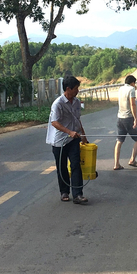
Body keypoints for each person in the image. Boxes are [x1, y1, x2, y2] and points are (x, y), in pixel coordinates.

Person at [45, 75, 88, 204]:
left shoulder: (76, 102)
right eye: (75, 88)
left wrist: (83, 135)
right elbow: (54, 122)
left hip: (73, 140)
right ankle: (64, 192)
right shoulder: (58, 104)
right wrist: (69, 132)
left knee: (76, 165)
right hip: (60, 141)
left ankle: (78, 194)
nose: (77, 91)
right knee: (62, 167)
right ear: (68, 89)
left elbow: (77, 119)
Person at [114, 75, 137, 170]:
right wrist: (135, 119)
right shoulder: (131, 90)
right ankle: (132, 160)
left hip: (120, 117)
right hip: (128, 118)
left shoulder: (121, 89)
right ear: (133, 82)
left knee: (119, 141)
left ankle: (116, 164)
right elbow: (132, 104)